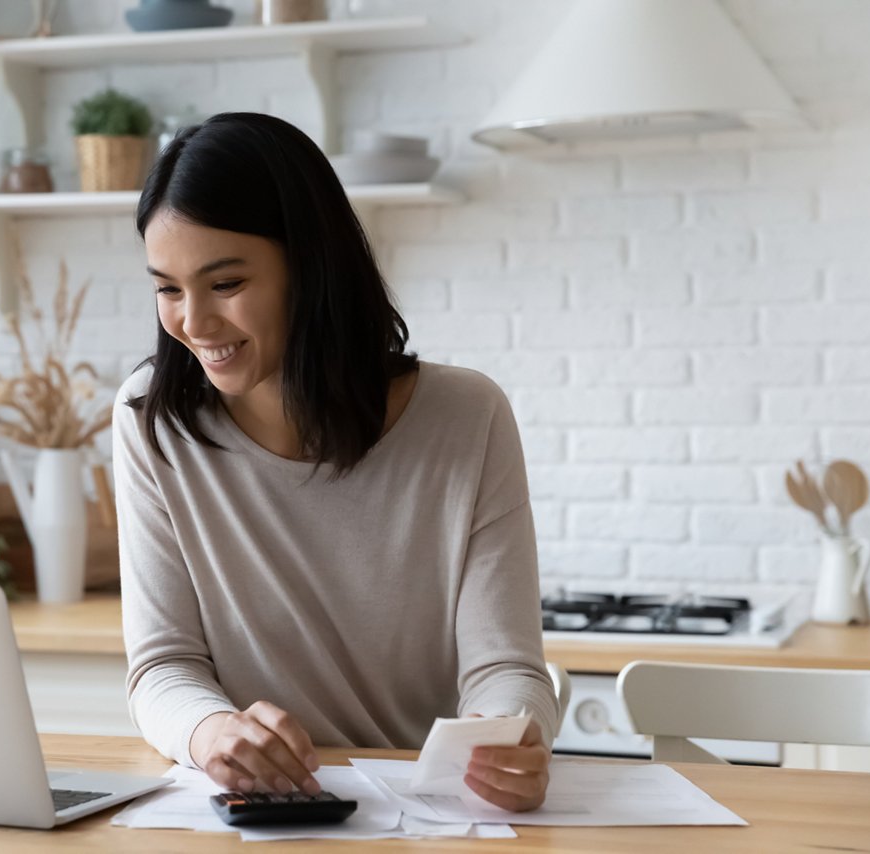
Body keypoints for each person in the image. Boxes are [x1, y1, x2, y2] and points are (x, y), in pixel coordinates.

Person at [111, 112, 557, 812]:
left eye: (225, 284)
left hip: (427, 816)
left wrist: (507, 734)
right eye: (168, 288)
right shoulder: (152, 419)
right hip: (245, 818)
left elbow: (505, 666)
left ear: (309, 268)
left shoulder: (468, 419)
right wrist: (211, 733)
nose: (192, 322)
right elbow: (163, 665)